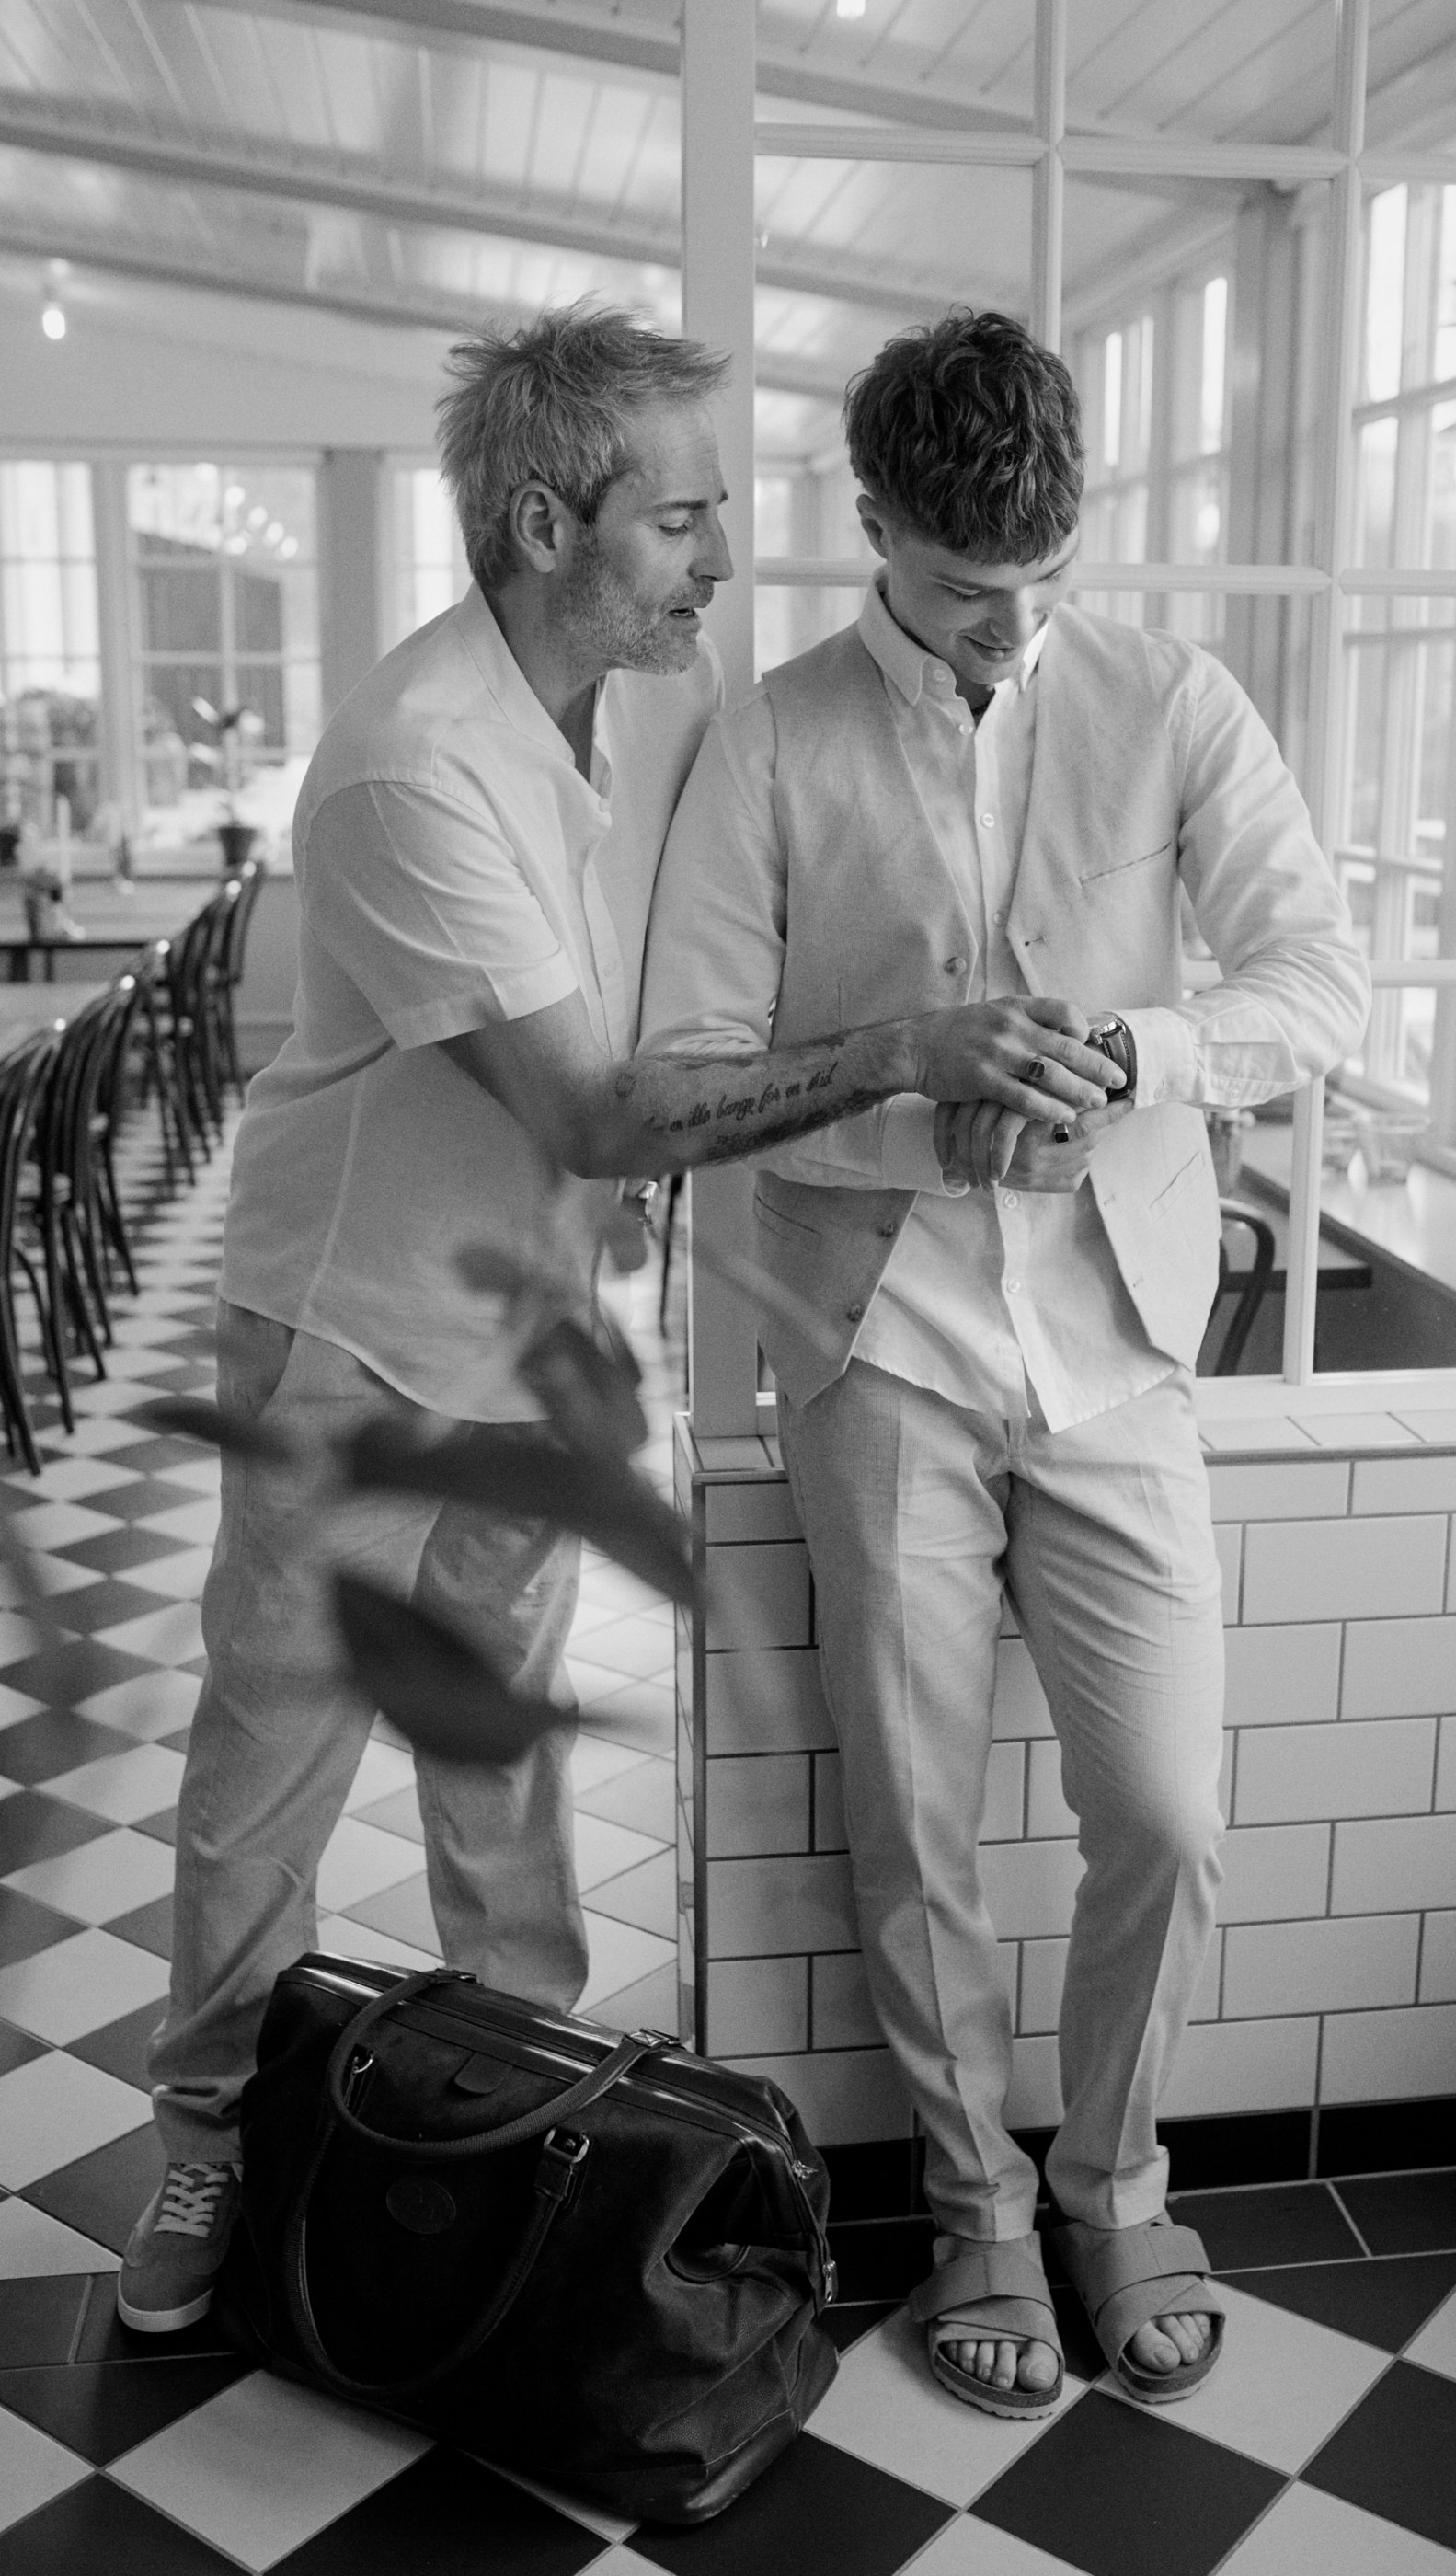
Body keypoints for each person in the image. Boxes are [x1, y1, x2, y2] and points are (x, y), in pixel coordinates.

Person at [120, 302, 1125, 2334]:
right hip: (350, 1337)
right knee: (272, 1763)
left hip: (538, 1324)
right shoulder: (409, 765)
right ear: (542, 523)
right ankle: (208, 2135)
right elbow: (592, 1103)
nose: (726, 561)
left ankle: (517, 2133)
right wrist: (911, 1045)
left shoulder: (655, 705)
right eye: (682, 521)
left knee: (499, 1757)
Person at [639, 310, 1370, 2418]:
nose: (1010, 621)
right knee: (916, 1824)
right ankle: (975, 2210)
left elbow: (1320, 982)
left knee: (1167, 1807)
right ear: (874, 521)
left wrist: (1138, 1055)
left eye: (1043, 575)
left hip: (1119, 1340)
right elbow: (688, 1076)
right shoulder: (765, 740)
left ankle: (1115, 2179)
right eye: (967, 584)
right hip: (873, 1345)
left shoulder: (1172, 698)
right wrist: (912, 1100)